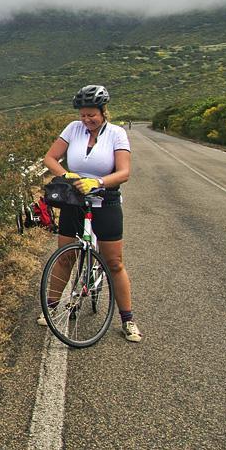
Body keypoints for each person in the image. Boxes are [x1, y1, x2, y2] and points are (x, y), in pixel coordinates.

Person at [39, 84, 142, 342]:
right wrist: (68, 176)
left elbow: (124, 172)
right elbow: (50, 158)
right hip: (75, 201)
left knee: (115, 263)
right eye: (82, 115)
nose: (86, 120)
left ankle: (128, 320)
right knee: (65, 258)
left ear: (103, 111)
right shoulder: (73, 129)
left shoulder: (116, 134)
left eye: (91, 115)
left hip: (105, 202)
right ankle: (50, 309)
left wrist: (98, 182)